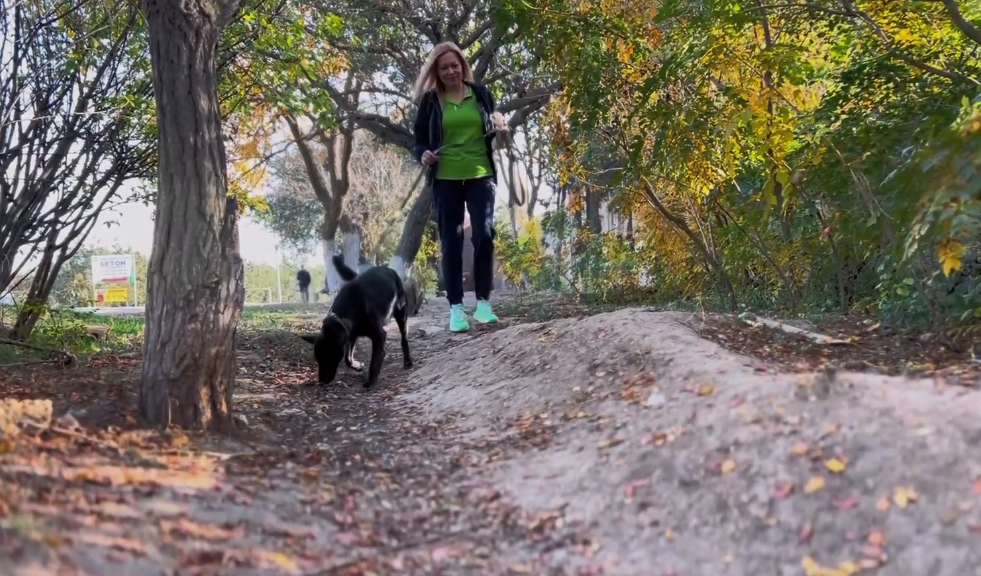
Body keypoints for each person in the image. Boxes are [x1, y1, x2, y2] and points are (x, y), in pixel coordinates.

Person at [411, 41, 505, 333]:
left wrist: (500, 125)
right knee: (450, 243)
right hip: (446, 179)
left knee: (484, 235)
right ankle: (456, 309)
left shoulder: (481, 95)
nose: (450, 71)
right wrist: (424, 154)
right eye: (444, 67)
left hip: (480, 174)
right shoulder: (430, 101)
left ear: (462, 66)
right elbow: (419, 140)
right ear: (436, 72)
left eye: (455, 65)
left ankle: (483, 303)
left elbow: (494, 123)